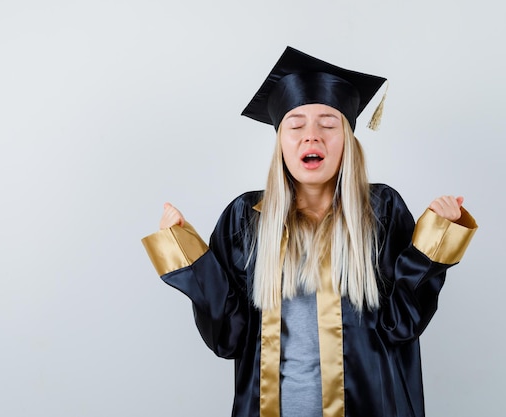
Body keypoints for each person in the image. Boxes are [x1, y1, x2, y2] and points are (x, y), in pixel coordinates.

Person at [141, 46, 477, 417]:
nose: (311, 136)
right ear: (280, 142)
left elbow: (401, 324)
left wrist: (434, 240)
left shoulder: (380, 211)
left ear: (348, 139)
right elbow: (228, 338)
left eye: (329, 125)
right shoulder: (245, 219)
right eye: (296, 125)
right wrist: (189, 255)